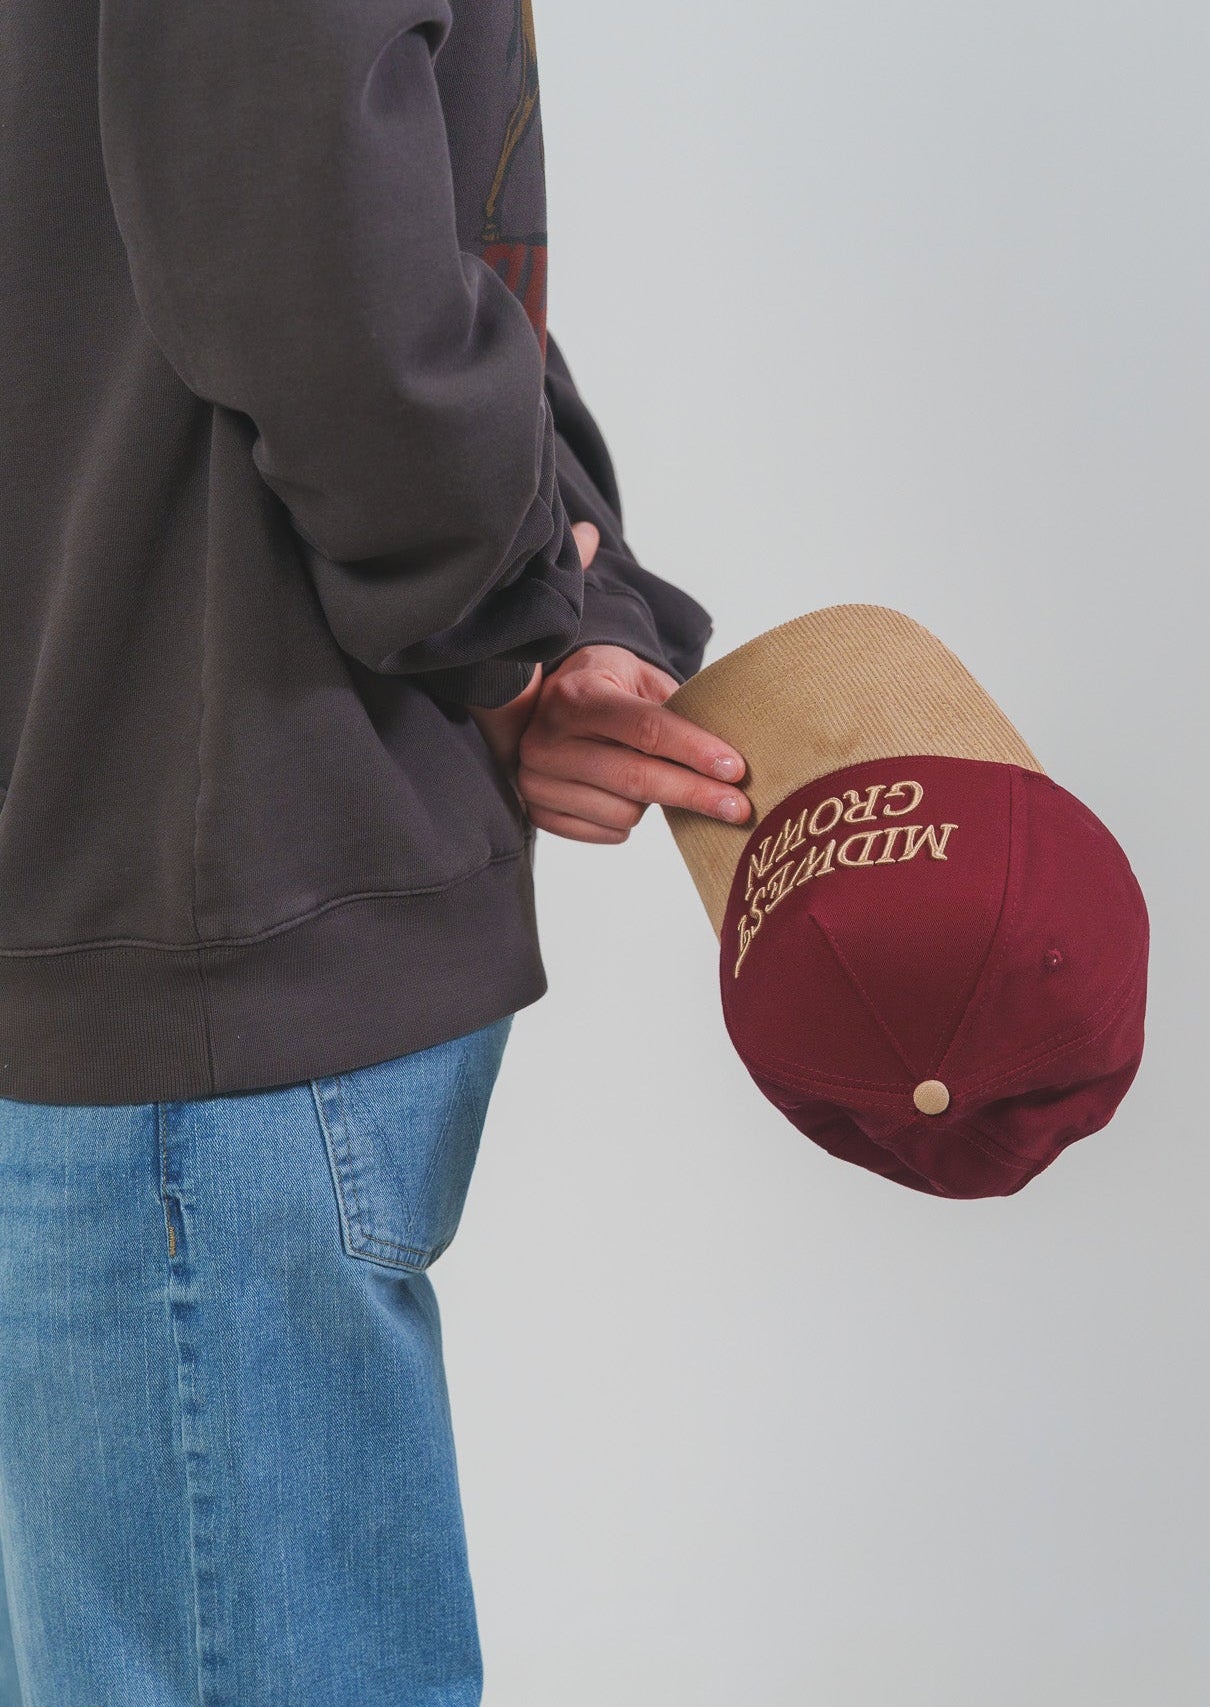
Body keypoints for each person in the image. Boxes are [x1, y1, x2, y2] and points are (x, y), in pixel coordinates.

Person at [0, 2, 751, 1700]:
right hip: (212, 880)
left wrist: (556, 607)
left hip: (161, 877)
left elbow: (388, 240)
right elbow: (313, 253)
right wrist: (522, 618)